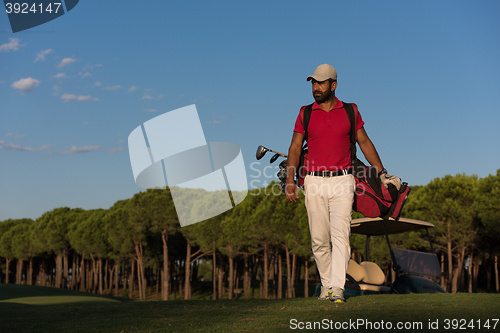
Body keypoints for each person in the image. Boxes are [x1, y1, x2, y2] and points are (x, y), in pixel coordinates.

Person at [285, 64, 399, 302]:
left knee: (341, 236)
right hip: (313, 181)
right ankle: (326, 285)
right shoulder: (305, 112)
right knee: (318, 240)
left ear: (333, 85)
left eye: (321, 83)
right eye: (313, 83)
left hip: (344, 180)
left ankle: (337, 287)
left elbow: (365, 142)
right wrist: (290, 180)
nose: (316, 87)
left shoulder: (350, 111)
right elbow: (295, 147)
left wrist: (381, 172)